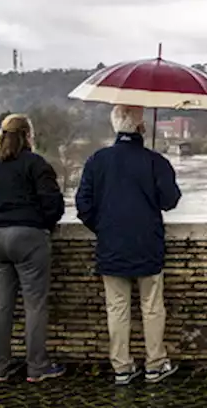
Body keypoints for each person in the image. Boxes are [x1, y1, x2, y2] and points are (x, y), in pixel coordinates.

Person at [76, 104, 182, 386]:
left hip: (111, 245)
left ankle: (122, 367)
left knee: (117, 307)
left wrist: (104, 228)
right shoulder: (154, 161)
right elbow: (170, 200)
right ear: (140, 127)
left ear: (115, 126)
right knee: (152, 306)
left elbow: (83, 205)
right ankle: (155, 364)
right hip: (147, 243)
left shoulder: (97, 161)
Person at [0, 114, 66, 383]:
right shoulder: (35, 164)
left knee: (1, 303)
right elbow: (53, 205)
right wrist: (40, 223)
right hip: (29, 237)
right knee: (34, 304)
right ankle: (37, 367)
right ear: (26, 136)